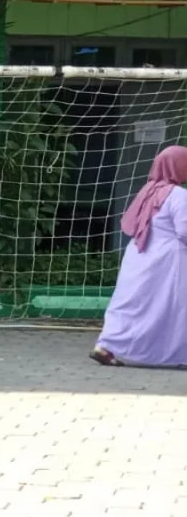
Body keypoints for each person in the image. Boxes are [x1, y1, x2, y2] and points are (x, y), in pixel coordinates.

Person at [92, 145, 187, 368]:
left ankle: (105, 345)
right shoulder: (179, 195)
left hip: (139, 255)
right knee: (169, 307)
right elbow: (184, 231)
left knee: (131, 303)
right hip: (167, 261)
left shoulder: (147, 191)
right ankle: (175, 353)